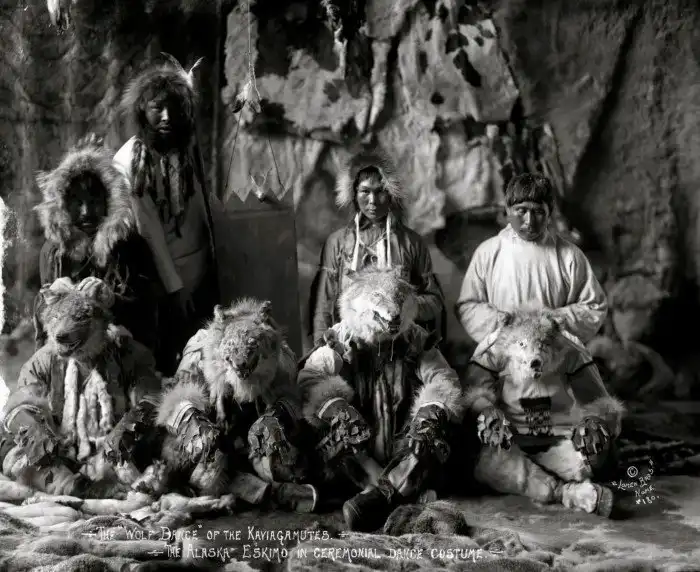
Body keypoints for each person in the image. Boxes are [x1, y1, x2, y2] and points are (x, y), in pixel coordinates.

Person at [299, 266, 471, 532]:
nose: (394, 311)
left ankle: (384, 494)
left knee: (433, 429)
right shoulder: (342, 338)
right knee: (333, 431)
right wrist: (336, 408)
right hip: (359, 449)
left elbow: (443, 378)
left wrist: (429, 411)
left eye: (399, 299)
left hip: (403, 447)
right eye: (380, 298)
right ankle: (395, 492)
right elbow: (310, 377)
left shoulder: (415, 338)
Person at [113, 54, 218, 376]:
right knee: (166, 362)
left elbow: (199, 209)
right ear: (141, 110)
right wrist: (175, 287)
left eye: (174, 107)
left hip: (199, 270)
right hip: (160, 280)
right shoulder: (131, 160)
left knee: (203, 356)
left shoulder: (182, 150)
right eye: (157, 107)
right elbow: (150, 232)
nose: (167, 116)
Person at [34, 133, 158, 354]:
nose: (86, 212)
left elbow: (149, 313)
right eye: (76, 202)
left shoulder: (131, 247)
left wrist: (112, 300)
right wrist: (50, 297)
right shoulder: (53, 251)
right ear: (62, 204)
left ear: (110, 200)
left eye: (94, 201)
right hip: (68, 354)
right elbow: (43, 328)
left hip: (122, 353)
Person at [309, 149, 446, 345]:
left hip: (400, 345)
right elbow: (325, 303)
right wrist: (321, 345)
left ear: (390, 194)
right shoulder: (338, 243)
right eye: (365, 191)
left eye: (380, 191)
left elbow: (435, 300)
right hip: (348, 345)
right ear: (354, 194)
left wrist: (405, 306)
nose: (372, 200)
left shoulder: (411, 242)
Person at [455, 172, 608, 346]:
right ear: (508, 211)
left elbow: (594, 306)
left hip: (555, 354)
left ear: (549, 213)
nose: (529, 221)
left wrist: (556, 321)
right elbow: (467, 307)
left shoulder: (569, 256)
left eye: (538, 211)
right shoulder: (488, 253)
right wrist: (499, 322)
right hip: (503, 353)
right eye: (521, 211)